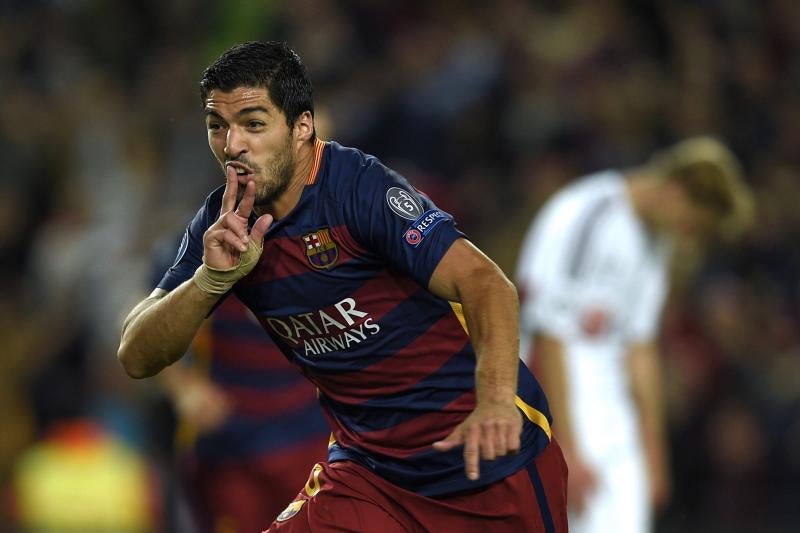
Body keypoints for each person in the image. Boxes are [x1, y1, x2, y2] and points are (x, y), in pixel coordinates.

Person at [117, 41, 567, 532]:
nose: (232, 145)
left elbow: (487, 283)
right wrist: (210, 280)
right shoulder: (221, 223)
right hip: (369, 476)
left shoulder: (358, 189)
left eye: (253, 123)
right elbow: (136, 355)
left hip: (483, 461)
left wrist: (497, 401)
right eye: (216, 126)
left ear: (302, 126)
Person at [514, 137, 754, 533]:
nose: (689, 235)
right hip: (556, 402)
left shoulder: (658, 240)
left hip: (612, 414)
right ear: (676, 189)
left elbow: (639, 348)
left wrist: (653, 455)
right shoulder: (586, 213)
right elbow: (547, 334)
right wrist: (563, 446)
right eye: (693, 222)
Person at [151, 235, 330, 533]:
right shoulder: (201, 239)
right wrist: (184, 387)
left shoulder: (328, 232)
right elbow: (141, 320)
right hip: (230, 449)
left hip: (312, 439)